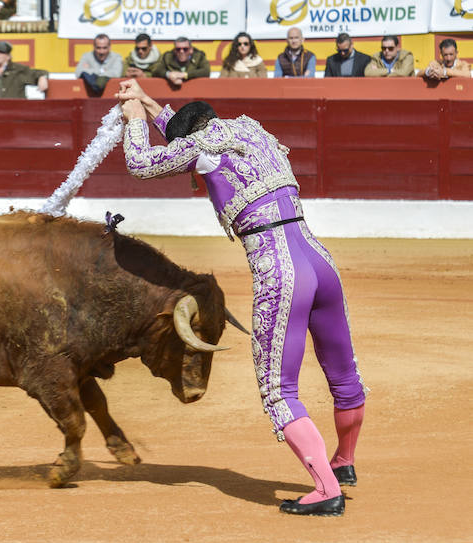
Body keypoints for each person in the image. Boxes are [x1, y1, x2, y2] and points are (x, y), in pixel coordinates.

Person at [116, 78, 366, 517]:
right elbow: (190, 131)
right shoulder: (249, 130)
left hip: (279, 268)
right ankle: (343, 462)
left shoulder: (201, 146)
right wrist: (149, 100)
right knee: (343, 374)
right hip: (319, 259)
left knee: (279, 389)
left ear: (191, 139)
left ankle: (327, 490)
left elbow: (140, 163)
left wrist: (135, 118)